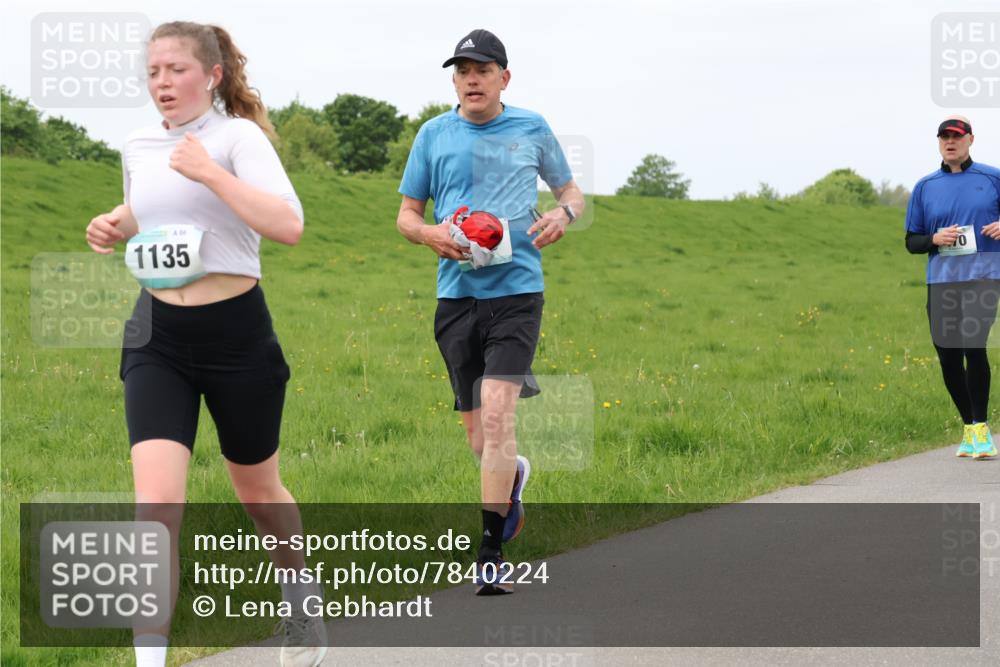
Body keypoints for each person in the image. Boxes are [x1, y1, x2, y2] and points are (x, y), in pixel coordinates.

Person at [85, 21, 326, 667]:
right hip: (157, 337)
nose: (162, 83)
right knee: (156, 505)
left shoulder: (236, 137)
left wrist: (211, 172)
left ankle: (299, 595)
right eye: (154, 71)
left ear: (212, 75)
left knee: (257, 489)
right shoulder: (138, 143)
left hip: (237, 336)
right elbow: (150, 207)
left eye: (176, 70)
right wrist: (116, 222)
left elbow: (288, 225)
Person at [396, 29, 585, 594]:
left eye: (481, 69)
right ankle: (514, 475)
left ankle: (489, 553)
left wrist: (563, 217)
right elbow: (406, 215)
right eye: (461, 71)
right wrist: (430, 233)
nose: (470, 79)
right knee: (482, 440)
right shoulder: (433, 135)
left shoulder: (531, 128)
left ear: (505, 76)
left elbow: (572, 194)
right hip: (456, 297)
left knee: (500, 415)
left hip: (517, 295)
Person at [905, 115, 1000, 459]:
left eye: (956, 137)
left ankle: (981, 427)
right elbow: (911, 241)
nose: (950, 142)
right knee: (947, 354)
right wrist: (933, 238)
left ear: (970, 140)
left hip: (984, 275)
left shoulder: (992, 178)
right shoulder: (925, 187)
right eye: (944, 137)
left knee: (973, 346)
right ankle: (969, 427)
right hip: (942, 280)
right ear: (939, 142)